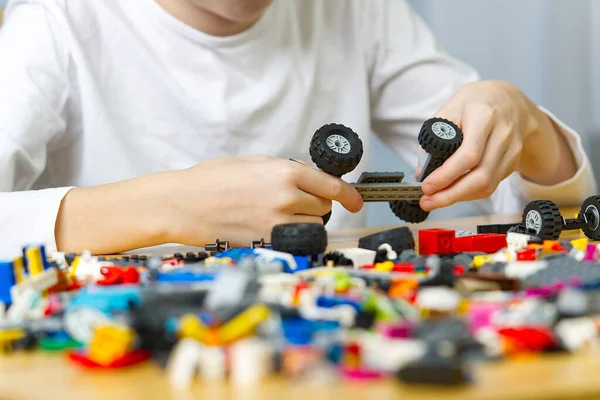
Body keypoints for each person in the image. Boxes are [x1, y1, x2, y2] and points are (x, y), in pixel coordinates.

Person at [0, 0, 595, 258]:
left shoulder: (354, 11)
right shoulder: (56, 25)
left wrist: (530, 128)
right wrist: (163, 206)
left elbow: (522, 194)